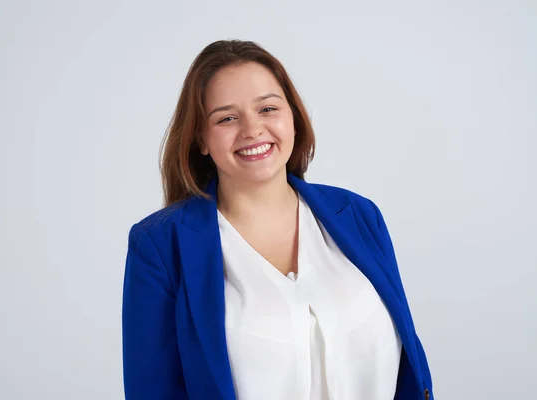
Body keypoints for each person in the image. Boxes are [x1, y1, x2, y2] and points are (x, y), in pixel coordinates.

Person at [122, 39, 434, 400]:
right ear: (201, 139)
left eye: (268, 108)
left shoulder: (359, 216)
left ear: (294, 118)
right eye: (226, 118)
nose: (252, 130)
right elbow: (153, 390)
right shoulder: (160, 246)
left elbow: (408, 367)